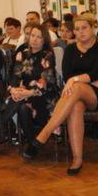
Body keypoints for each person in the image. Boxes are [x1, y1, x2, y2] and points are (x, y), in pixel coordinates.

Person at [27, 14, 98, 173]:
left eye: (84, 28)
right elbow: (67, 75)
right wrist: (80, 80)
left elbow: (97, 73)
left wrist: (76, 80)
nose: (80, 32)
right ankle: (77, 159)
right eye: (77, 29)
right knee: (75, 105)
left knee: (75, 87)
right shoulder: (70, 50)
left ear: (92, 28)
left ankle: (44, 134)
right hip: (76, 94)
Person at [9, 24, 62, 159]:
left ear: (44, 40)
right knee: (20, 105)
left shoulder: (48, 55)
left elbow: (46, 81)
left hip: (44, 94)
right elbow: (15, 76)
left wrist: (26, 93)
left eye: (39, 37)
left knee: (21, 106)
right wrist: (14, 90)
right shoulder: (22, 54)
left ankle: (33, 144)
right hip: (25, 93)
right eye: (32, 35)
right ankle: (33, 141)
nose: (34, 39)